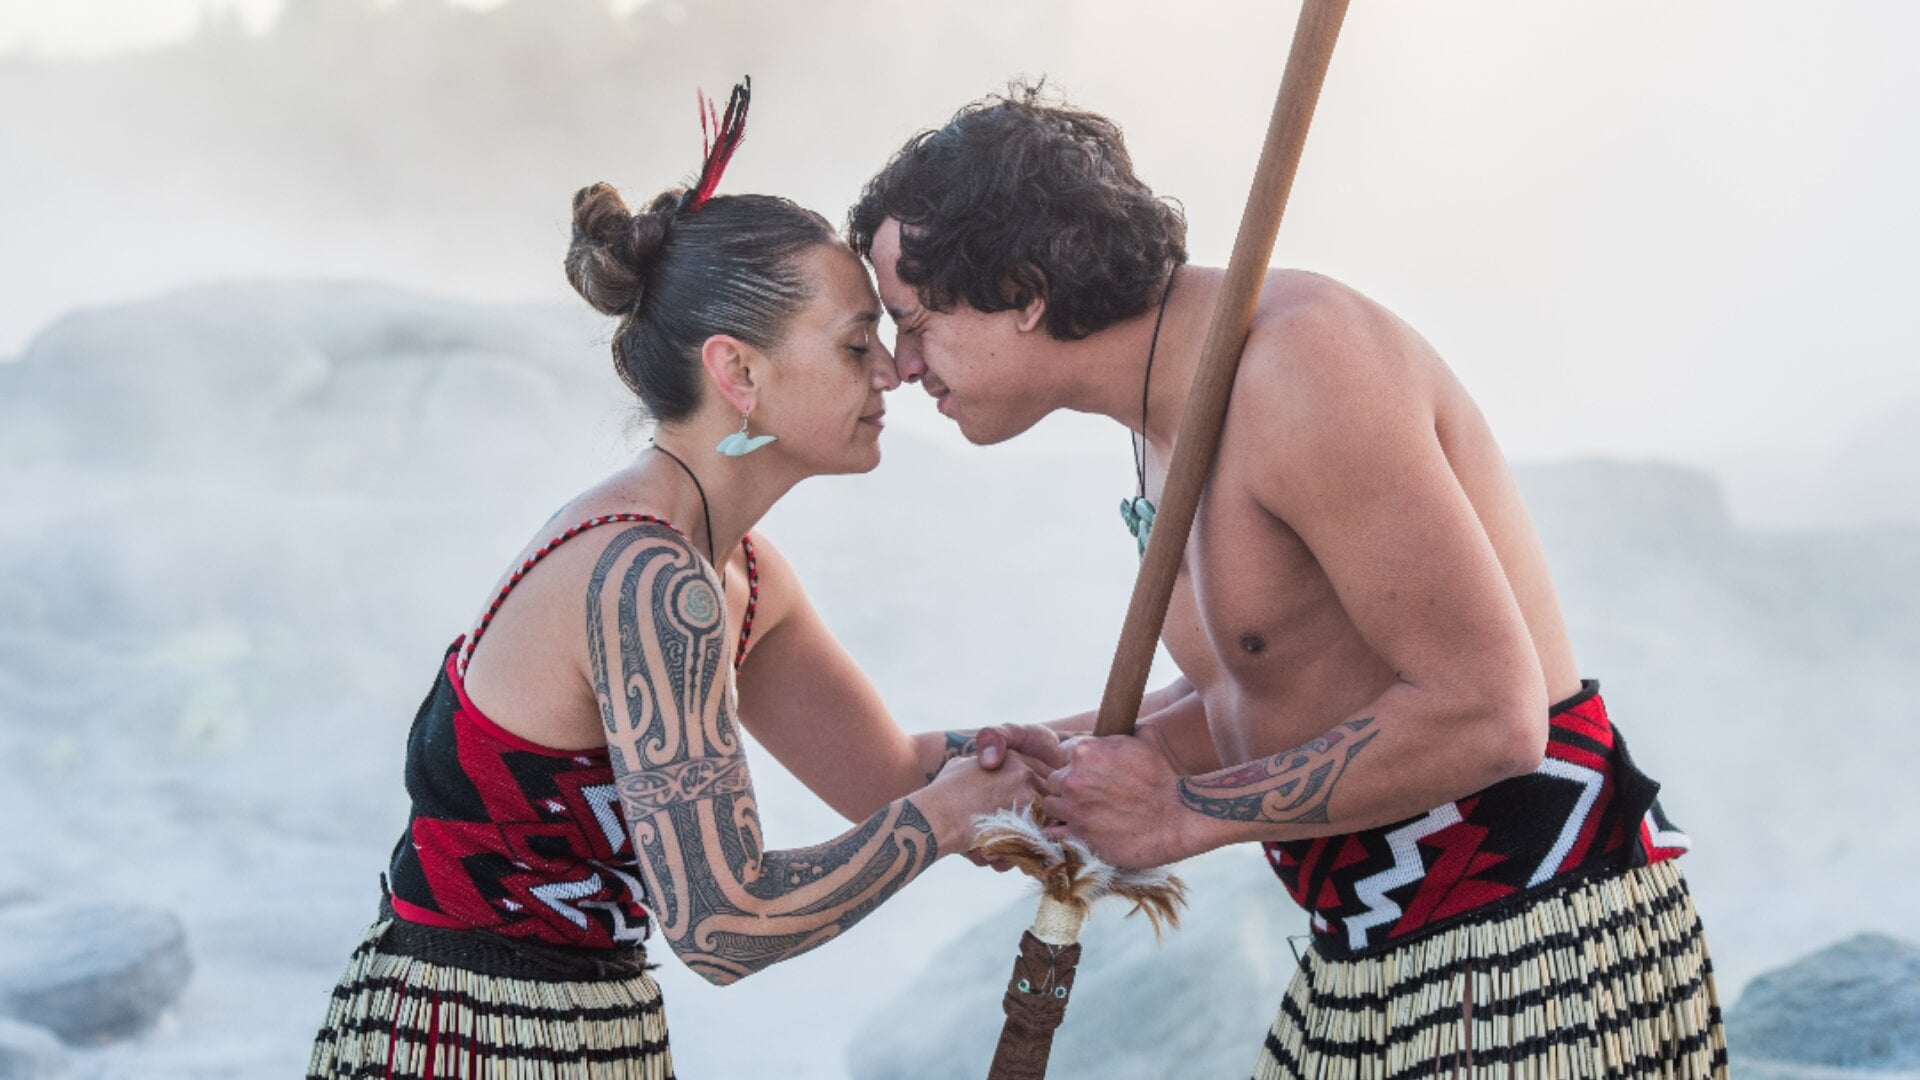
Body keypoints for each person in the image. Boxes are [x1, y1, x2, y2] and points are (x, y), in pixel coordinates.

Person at [852, 84, 1728, 1078]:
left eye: (914, 321)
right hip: (1369, 959)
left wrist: (1184, 816)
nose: (901, 364)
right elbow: (1259, 680)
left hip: (1534, 952)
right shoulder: (1160, 416)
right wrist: (1082, 757)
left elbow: (1489, 714)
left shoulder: (1298, 365)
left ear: (1024, 289)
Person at [307, 82, 1043, 1079]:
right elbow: (723, 927)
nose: (891, 371)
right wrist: (947, 820)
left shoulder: (735, 569)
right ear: (738, 373)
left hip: (564, 1034)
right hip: (470, 1046)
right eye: (853, 343)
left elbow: (889, 776)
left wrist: (1123, 745)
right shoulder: (648, 576)